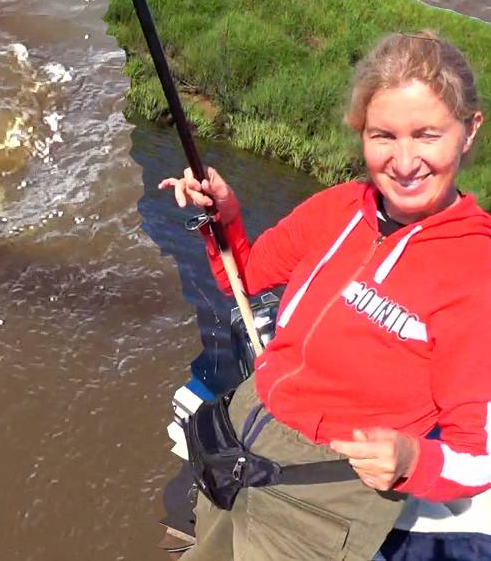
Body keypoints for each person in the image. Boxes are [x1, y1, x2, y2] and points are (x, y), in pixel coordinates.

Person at [159, 31, 491, 560]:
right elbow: (244, 279)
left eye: (427, 135)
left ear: (469, 130)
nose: (405, 162)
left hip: (324, 498)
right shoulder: (337, 207)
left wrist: (412, 460)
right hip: (243, 436)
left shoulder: (477, 271)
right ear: (360, 131)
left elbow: (477, 456)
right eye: (383, 136)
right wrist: (222, 217)